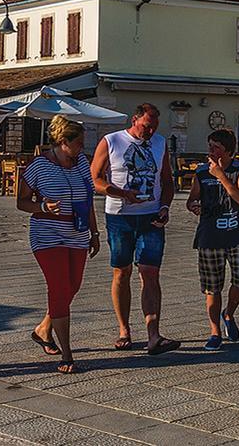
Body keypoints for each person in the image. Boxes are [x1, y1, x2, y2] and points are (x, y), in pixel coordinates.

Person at [91, 103, 181, 354]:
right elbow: (95, 178)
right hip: (120, 217)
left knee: (150, 272)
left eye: (154, 128)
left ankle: (154, 335)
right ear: (134, 120)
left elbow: (167, 181)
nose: (150, 132)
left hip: (151, 216)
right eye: (146, 126)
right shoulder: (111, 141)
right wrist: (121, 193)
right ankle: (124, 330)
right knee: (122, 271)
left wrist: (165, 207)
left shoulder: (160, 143)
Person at [18, 116, 100, 374]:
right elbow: (21, 201)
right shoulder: (39, 165)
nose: (82, 148)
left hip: (77, 232)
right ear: (63, 142)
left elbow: (88, 199)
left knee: (72, 286)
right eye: (78, 143)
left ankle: (44, 329)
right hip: (47, 233)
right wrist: (43, 206)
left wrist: (95, 232)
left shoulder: (82, 163)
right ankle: (66, 353)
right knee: (59, 288)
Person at [186, 129, 239, 350]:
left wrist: (221, 176)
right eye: (210, 146)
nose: (211, 151)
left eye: (216, 147)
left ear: (228, 150)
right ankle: (214, 331)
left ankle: (229, 313)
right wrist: (193, 205)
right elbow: (192, 198)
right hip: (210, 236)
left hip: (237, 233)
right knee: (212, 287)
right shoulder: (201, 172)